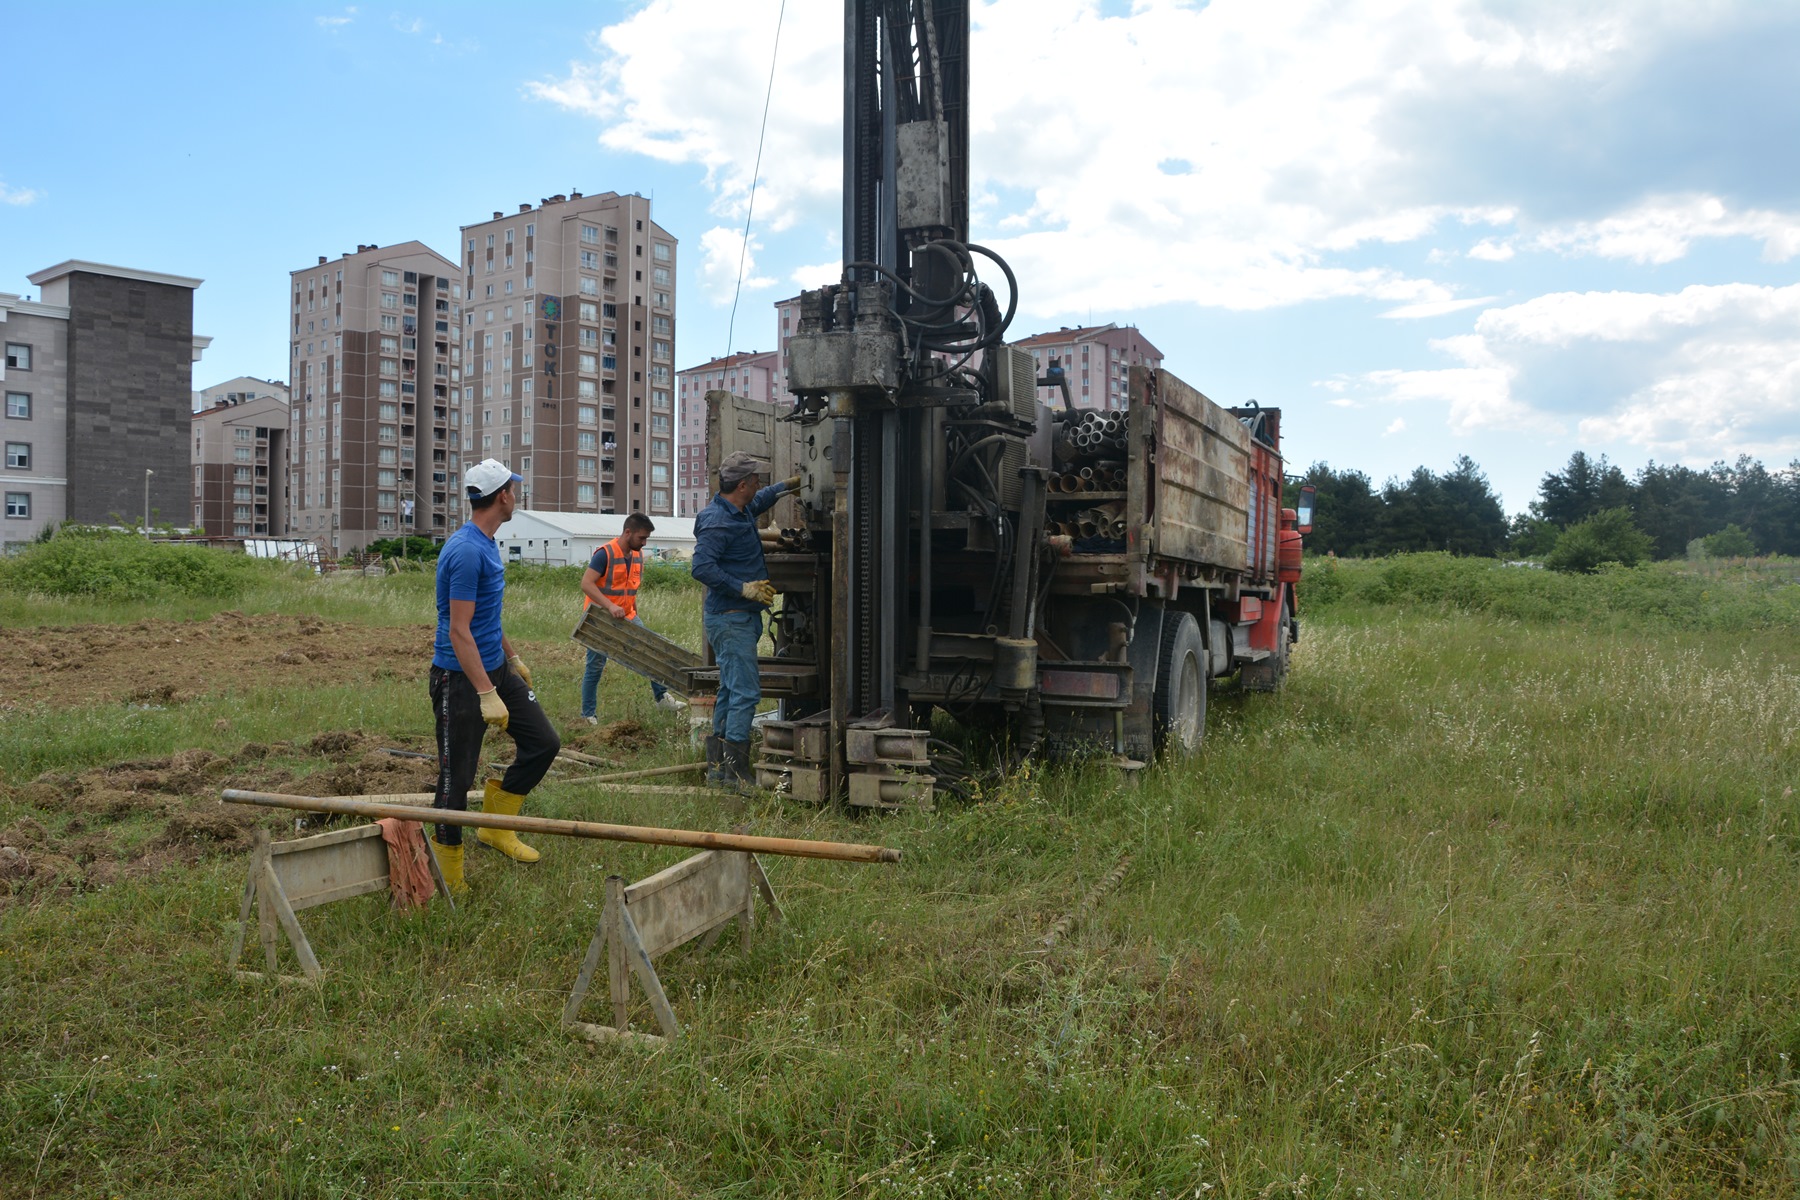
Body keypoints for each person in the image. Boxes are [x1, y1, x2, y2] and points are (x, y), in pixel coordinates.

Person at [428, 458, 561, 893]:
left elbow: (486, 618)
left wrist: (512, 658)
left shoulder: (487, 542)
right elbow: (458, 630)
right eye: (513, 488)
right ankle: (449, 875)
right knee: (456, 778)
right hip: (460, 680)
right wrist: (486, 692)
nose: (517, 494)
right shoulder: (466, 551)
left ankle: (495, 827)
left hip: (495, 668)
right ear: (503, 495)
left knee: (543, 743)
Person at [690, 451, 802, 787]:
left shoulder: (739, 510)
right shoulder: (718, 521)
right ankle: (736, 774)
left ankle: (719, 771)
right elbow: (702, 568)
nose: (760, 484)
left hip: (737, 619)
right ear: (742, 485)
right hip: (731, 617)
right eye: (756, 480)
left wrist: (788, 486)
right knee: (746, 693)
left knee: (730, 690)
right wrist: (745, 589)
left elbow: (762, 499)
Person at [579, 511, 687, 723]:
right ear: (628, 532)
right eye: (642, 538)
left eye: (646, 538)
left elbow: (630, 588)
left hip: (628, 615)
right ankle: (587, 714)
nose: (644, 542)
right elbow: (586, 584)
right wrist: (610, 606)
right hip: (600, 617)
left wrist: (634, 613)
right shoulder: (605, 554)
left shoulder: (637, 555)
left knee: (651, 651)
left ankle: (661, 698)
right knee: (595, 665)